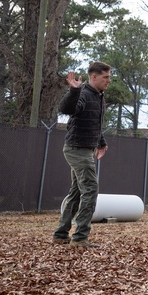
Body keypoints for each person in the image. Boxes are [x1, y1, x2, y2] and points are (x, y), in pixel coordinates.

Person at [52, 61, 112, 248]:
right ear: (94, 77)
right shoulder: (84, 94)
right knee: (91, 189)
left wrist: (101, 142)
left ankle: (61, 234)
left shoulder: (99, 97)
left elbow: (94, 123)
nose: (109, 81)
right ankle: (80, 238)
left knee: (77, 192)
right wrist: (74, 91)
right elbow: (67, 109)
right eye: (106, 77)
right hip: (76, 148)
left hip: (84, 148)